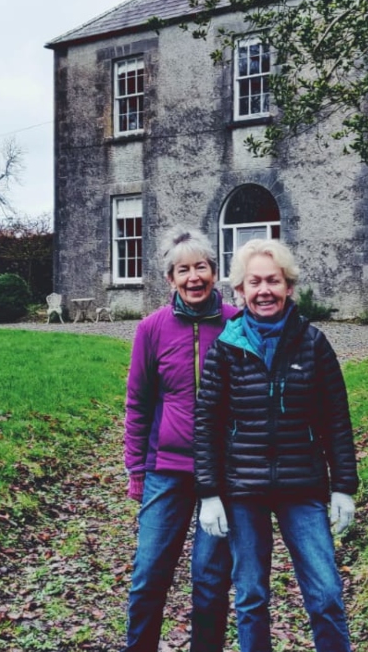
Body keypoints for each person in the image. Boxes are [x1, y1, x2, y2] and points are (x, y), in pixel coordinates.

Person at [193, 238, 359, 652]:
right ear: (240, 290)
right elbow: (207, 424)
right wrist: (209, 492)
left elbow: (335, 420)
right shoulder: (226, 349)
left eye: (273, 280)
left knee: (326, 595)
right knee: (251, 598)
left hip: (302, 487)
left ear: (288, 287)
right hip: (242, 490)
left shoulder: (314, 344)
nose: (264, 290)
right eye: (255, 282)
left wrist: (343, 487)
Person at [123, 227, 240, 652]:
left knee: (211, 582)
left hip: (223, 474)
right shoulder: (151, 329)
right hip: (166, 471)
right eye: (183, 270)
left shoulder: (236, 324)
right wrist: (136, 468)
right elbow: (138, 403)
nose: (194, 277)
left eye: (202, 267)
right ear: (169, 279)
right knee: (149, 576)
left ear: (215, 273)